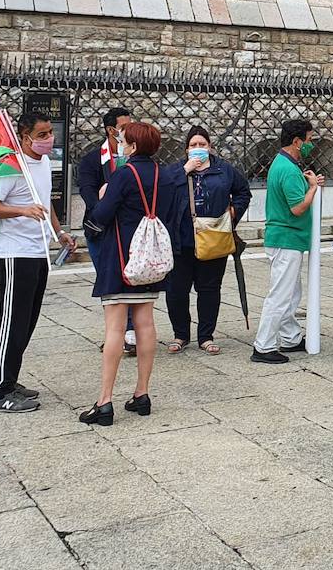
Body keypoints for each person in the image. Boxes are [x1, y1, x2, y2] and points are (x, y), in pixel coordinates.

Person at [84, 121, 193, 424]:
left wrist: (105, 195)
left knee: (115, 329)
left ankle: (104, 401)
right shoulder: (166, 176)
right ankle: (141, 393)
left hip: (121, 259)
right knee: (145, 323)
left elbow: (102, 215)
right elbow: (170, 213)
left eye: (121, 140)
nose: (119, 143)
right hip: (151, 262)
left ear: (132, 146)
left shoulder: (123, 175)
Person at [0, 110, 75, 413]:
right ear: (25, 136)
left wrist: (58, 232)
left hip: (38, 253)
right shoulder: (10, 166)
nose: (49, 139)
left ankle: (11, 378)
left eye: (51, 133)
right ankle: (2, 390)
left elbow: (44, 200)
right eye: (43, 134)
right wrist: (21, 211)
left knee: (27, 322)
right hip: (14, 254)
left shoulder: (45, 163)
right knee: (12, 321)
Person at [165, 126, 251, 354]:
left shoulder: (223, 170)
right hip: (181, 240)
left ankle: (206, 335)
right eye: (193, 145)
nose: (198, 149)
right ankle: (180, 334)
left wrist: (234, 212)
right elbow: (163, 193)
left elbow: (243, 191)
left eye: (202, 145)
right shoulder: (176, 171)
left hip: (214, 238)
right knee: (177, 290)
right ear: (186, 150)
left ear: (210, 147)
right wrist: (185, 170)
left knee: (210, 289)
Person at [251, 119, 324, 363]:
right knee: (281, 294)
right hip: (287, 238)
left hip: (286, 238)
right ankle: (263, 345)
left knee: (291, 292)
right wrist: (312, 188)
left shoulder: (283, 164)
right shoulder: (289, 170)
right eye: (309, 139)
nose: (311, 145)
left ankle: (291, 337)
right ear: (297, 141)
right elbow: (298, 208)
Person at [77, 106, 136, 355]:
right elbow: (89, 195)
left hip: (128, 229)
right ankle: (116, 333)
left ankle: (131, 332)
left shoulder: (134, 157)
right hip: (101, 230)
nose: (129, 130)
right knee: (108, 282)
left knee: (132, 279)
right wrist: (107, 203)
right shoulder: (92, 160)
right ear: (112, 130)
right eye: (124, 127)